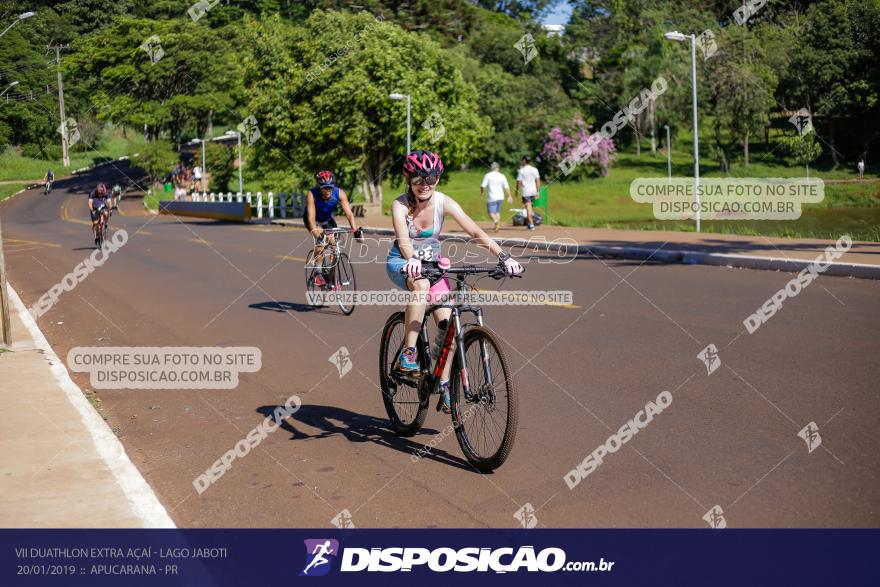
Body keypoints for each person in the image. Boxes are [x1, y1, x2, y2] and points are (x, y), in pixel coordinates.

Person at [386, 150, 523, 413]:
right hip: (403, 262)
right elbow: (403, 240)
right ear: (408, 178)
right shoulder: (400, 204)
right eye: (418, 178)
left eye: (431, 178)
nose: (425, 184)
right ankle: (409, 354)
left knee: (447, 326)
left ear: (438, 178)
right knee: (421, 285)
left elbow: (474, 231)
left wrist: (503, 256)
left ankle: (445, 385)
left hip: (434, 265)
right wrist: (412, 257)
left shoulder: (443, 202)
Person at [304, 170, 362, 287]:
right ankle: (318, 273)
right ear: (319, 187)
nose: (328, 191)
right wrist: (318, 235)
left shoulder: (340, 193)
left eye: (330, 188)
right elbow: (311, 219)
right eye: (324, 188)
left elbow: (349, 214)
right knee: (321, 241)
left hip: (327, 220)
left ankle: (330, 275)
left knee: (334, 245)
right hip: (313, 220)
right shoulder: (312, 194)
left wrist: (355, 230)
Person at [480, 162, 512, 232]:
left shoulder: (488, 175)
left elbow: (483, 186)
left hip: (492, 197)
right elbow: (506, 187)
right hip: (501, 197)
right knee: (497, 212)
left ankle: (495, 221)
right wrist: (509, 196)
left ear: (491, 168)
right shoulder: (502, 176)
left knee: (490, 212)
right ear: (498, 168)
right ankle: (497, 227)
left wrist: (482, 193)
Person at [515, 156, 541, 230]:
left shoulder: (522, 170)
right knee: (530, 208)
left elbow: (518, 182)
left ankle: (532, 224)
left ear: (524, 161)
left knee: (528, 209)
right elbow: (538, 181)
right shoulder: (535, 169)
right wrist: (538, 191)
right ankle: (529, 224)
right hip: (533, 191)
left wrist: (516, 190)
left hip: (526, 192)